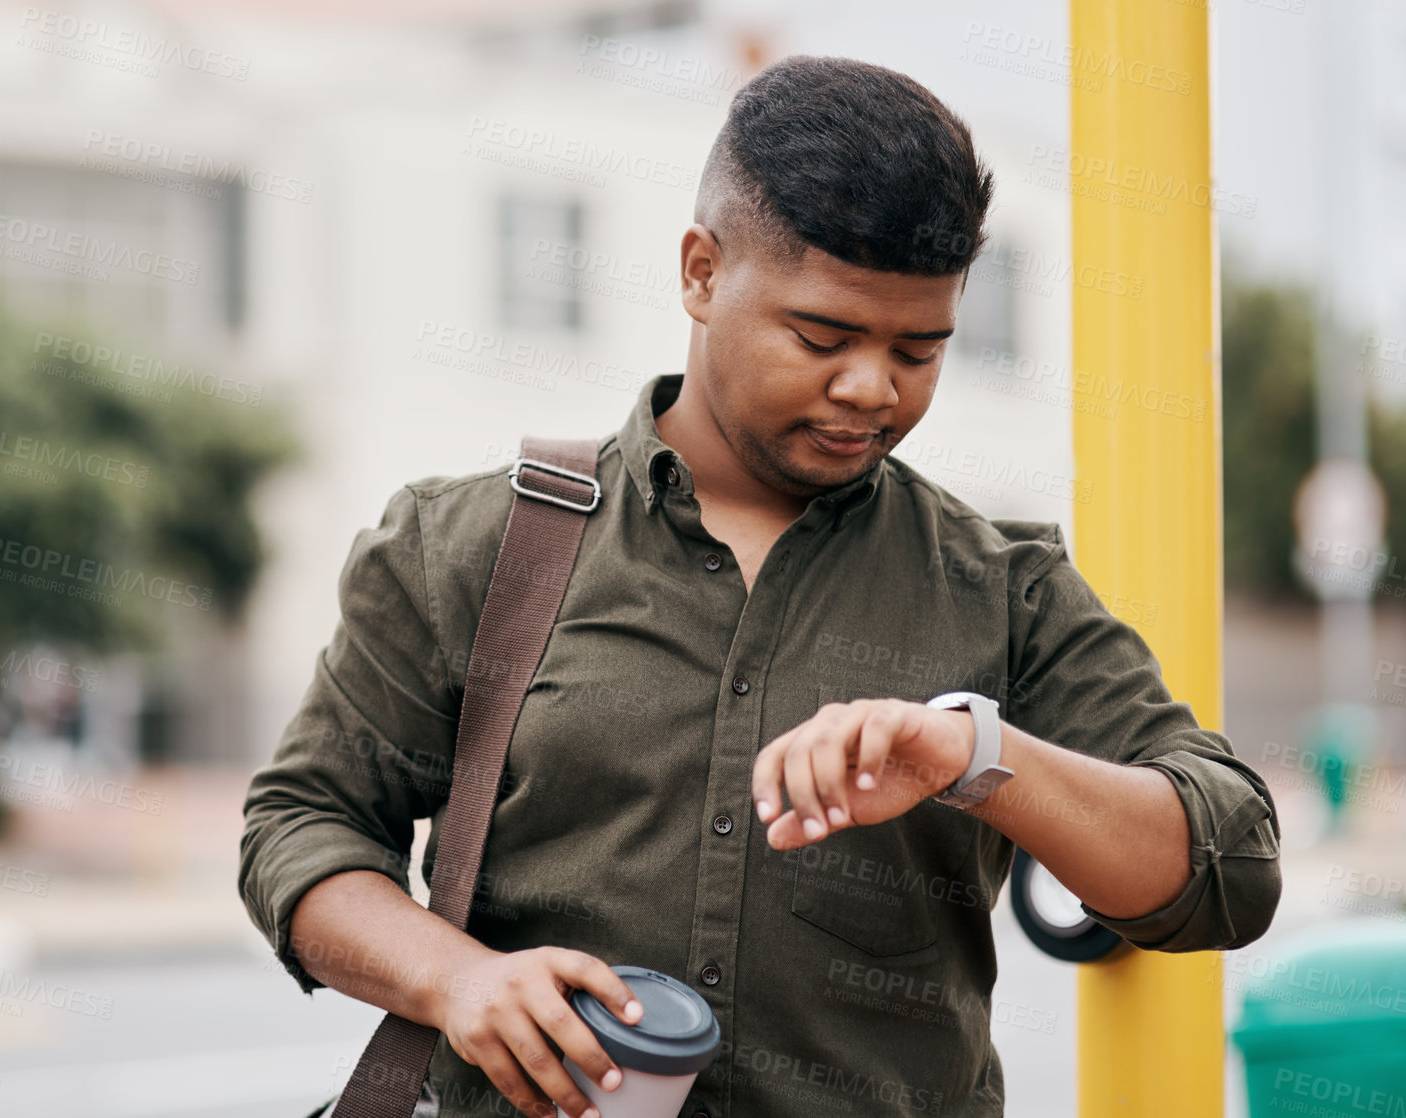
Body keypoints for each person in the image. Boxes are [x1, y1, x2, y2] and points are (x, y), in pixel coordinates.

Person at [240, 54, 1281, 1118]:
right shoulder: (468, 543)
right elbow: (300, 825)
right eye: (822, 336)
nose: (871, 386)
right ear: (700, 271)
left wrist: (974, 753)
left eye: (920, 350)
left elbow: (1231, 862)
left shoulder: (1002, 590)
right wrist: (455, 977)